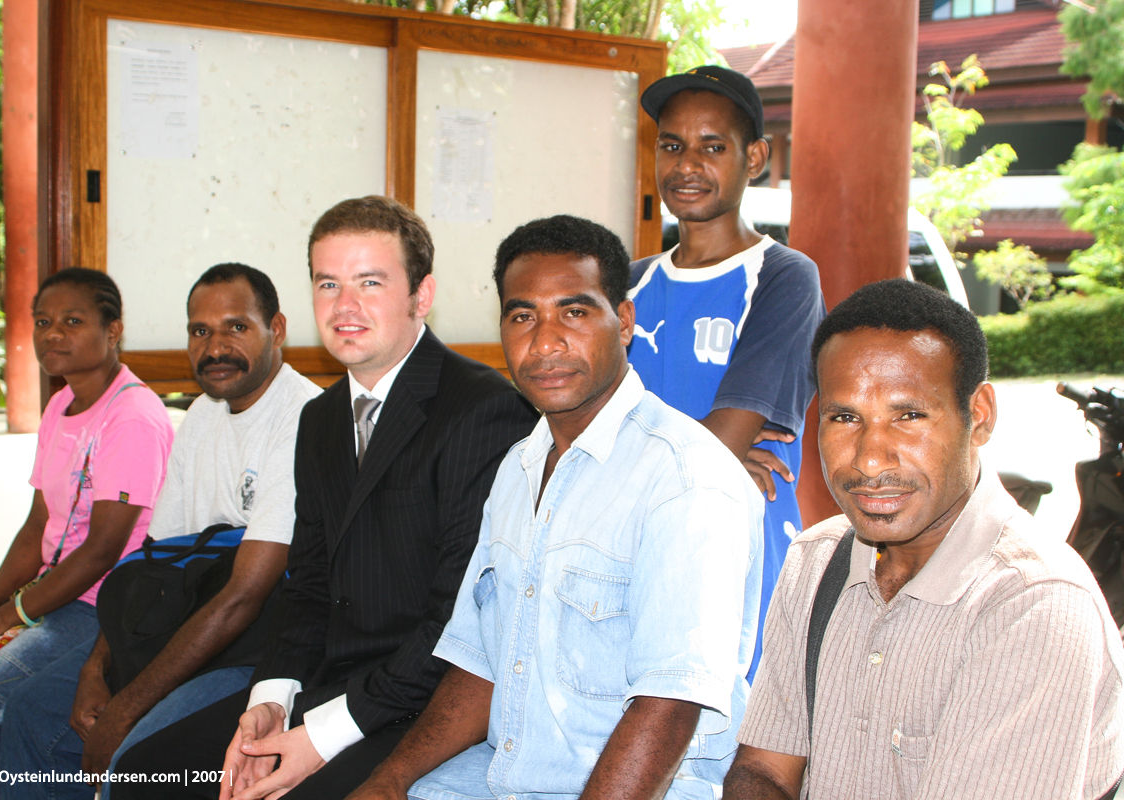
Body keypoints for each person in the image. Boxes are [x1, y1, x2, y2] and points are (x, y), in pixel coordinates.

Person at [111, 196, 538, 800]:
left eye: (371, 282)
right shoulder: (319, 418)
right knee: (145, 777)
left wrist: (318, 737)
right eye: (328, 283)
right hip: (326, 683)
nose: (345, 306)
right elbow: (308, 587)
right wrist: (270, 702)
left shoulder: (484, 409)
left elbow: (458, 622)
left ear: (421, 295)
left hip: (424, 702)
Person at [346, 214, 763, 800]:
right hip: (507, 775)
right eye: (523, 317)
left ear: (623, 322)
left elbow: (669, 704)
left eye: (574, 312)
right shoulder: (518, 467)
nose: (545, 343)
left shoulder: (685, 477)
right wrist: (388, 781)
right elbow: (479, 662)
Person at [723, 279, 1124, 800]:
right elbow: (766, 772)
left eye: (908, 416)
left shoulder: (1033, 604)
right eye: (844, 417)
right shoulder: (816, 562)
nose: (869, 458)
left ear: (978, 416)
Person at [0, 263, 321, 798]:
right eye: (200, 331)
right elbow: (150, 562)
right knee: (30, 711)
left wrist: (127, 705)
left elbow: (243, 598)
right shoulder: (201, 414)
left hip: (255, 646)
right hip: (185, 622)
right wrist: (96, 666)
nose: (215, 346)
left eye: (236, 327)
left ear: (278, 330)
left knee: (136, 759)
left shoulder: (306, 418)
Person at [0, 268, 174, 800]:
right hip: (49, 594)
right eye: (43, 321)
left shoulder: (132, 417)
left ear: (113, 332)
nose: (52, 334)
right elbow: (38, 525)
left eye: (72, 321)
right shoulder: (62, 403)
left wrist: (2, 619)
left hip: (98, 606)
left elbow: (103, 550)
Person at [627, 65, 826, 679]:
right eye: (672, 145)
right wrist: (706, 459)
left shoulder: (785, 278)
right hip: (629, 545)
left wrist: (700, 457)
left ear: (755, 157)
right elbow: (573, 432)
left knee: (732, 741)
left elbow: (730, 434)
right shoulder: (627, 283)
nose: (688, 164)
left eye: (713, 146)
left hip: (739, 544)